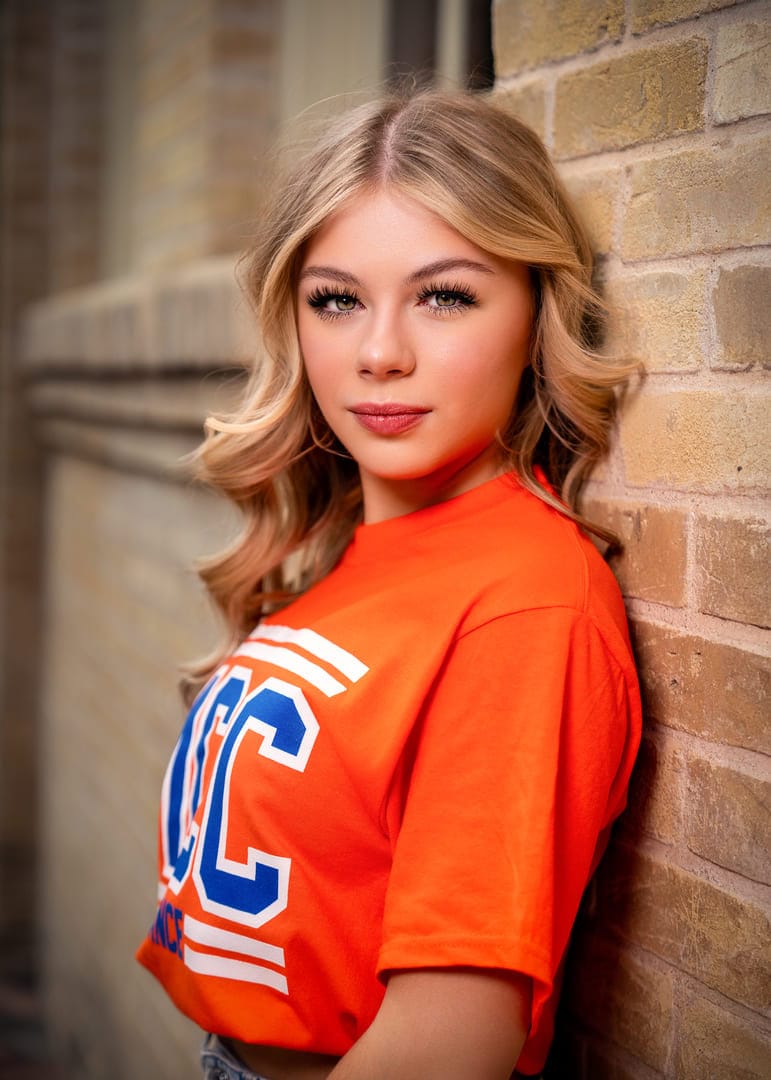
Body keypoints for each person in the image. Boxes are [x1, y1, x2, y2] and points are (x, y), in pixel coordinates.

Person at [136, 87, 642, 1080]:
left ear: (537, 307)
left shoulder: (526, 601)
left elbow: (448, 1044)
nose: (379, 354)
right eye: (337, 299)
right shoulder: (349, 555)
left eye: (444, 296)